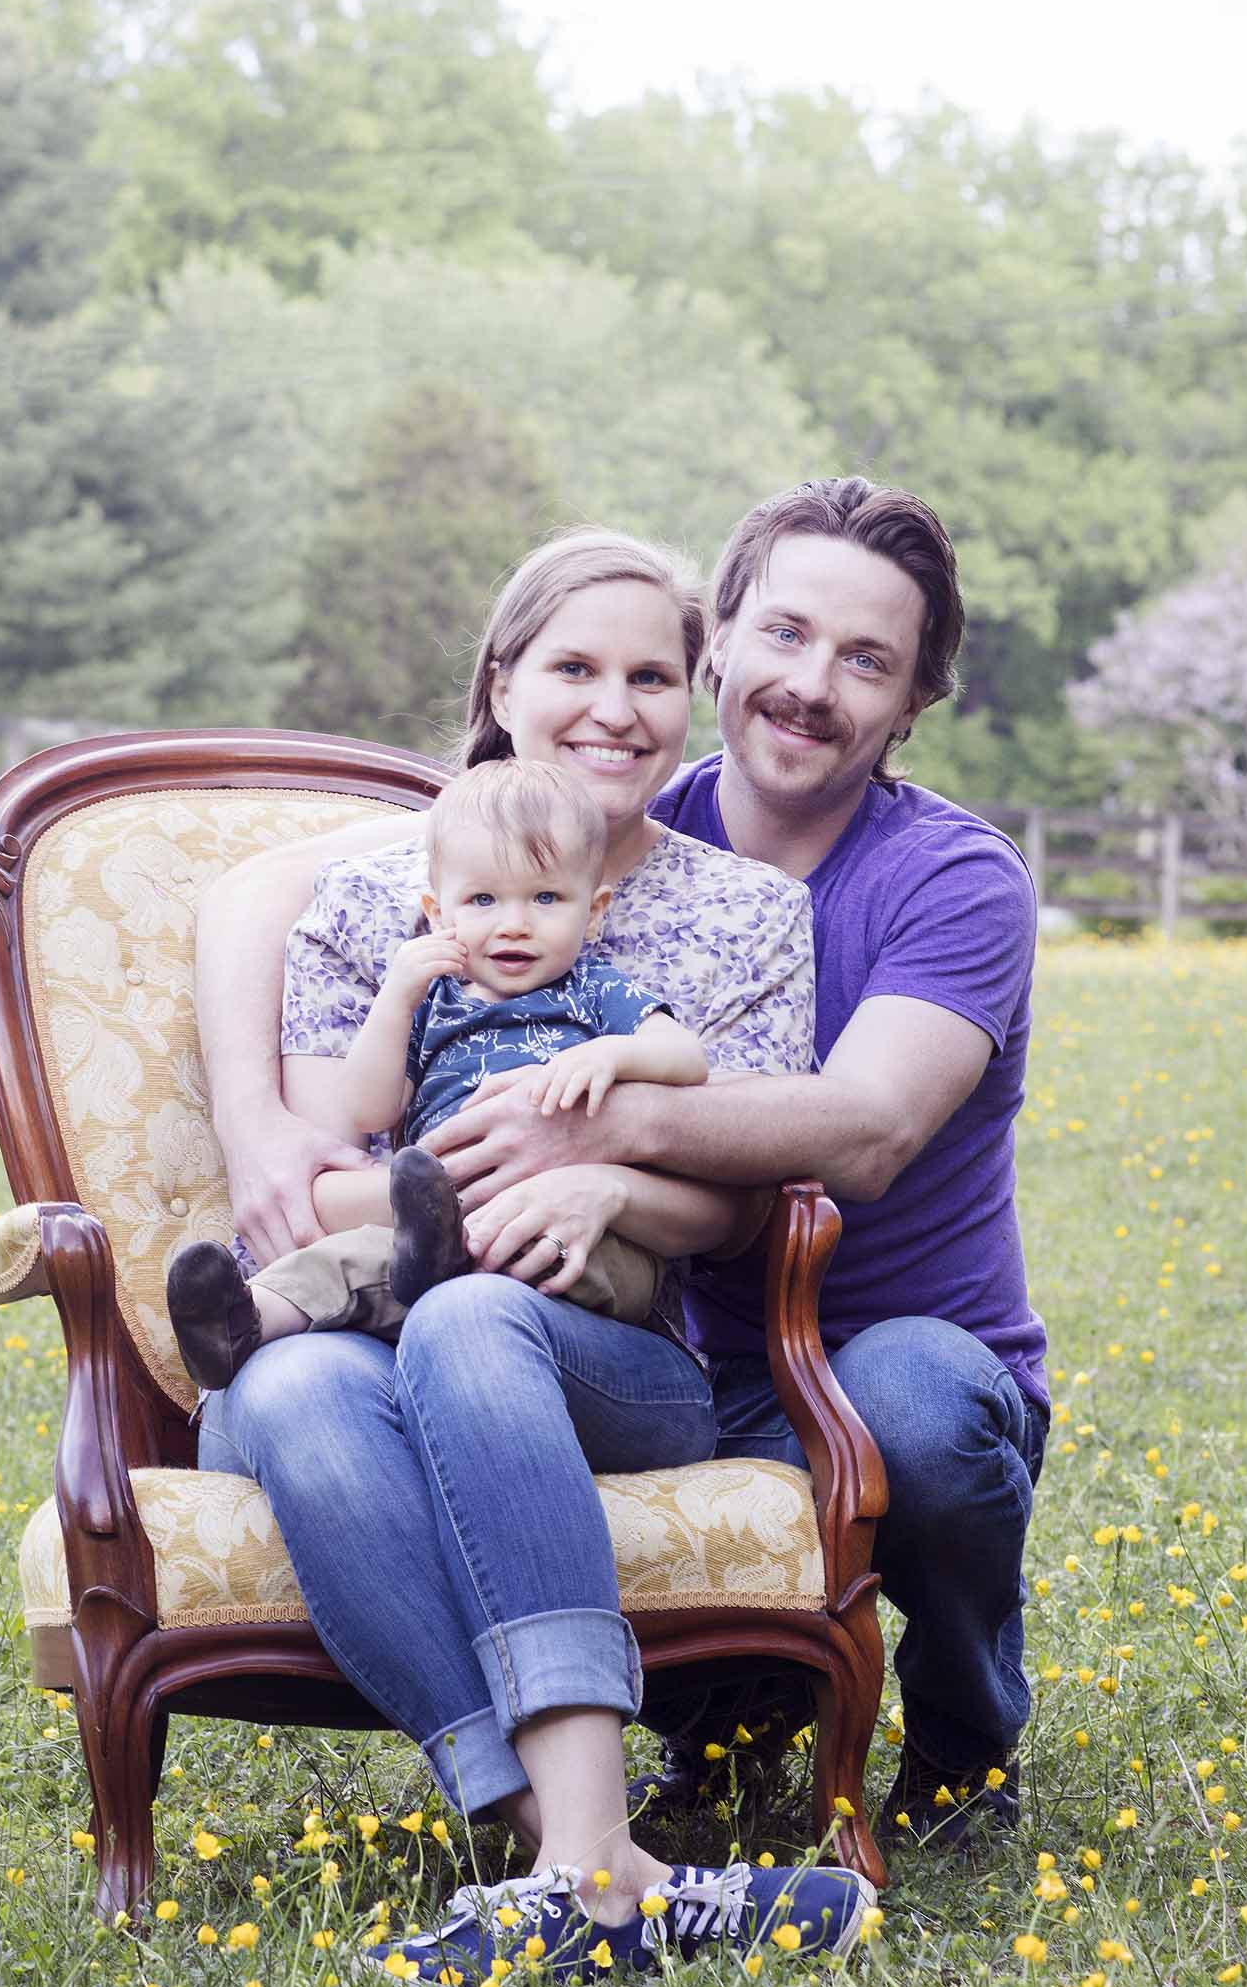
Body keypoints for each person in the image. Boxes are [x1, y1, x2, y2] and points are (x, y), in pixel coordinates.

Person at [193, 526, 870, 1984]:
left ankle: (581, 1868)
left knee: (469, 1321)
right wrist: (431, 1193)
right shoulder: (382, 902)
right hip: (351, 1321)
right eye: (573, 669)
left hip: (609, 1348)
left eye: (651, 677)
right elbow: (321, 1168)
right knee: (290, 1386)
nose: (612, 709)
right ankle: (588, 1865)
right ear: (501, 686)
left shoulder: (746, 914)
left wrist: (604, 1178)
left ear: (692, 697)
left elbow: (740, 1207)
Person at [417, 478, 1051, 1848]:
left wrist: (601, 1129)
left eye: (866, 660)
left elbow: (867, 1129)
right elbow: (376, 870)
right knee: (487, 1362)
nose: (810, 685)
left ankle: (963, 1732)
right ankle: (721, 1719)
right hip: (666, 1356)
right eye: (786, 633)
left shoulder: (956, 879)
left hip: (890, 1350)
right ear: (721, 648)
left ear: (914, 702)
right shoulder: (612, 830)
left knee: (916, 1406)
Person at [164, 756, 703, 1387]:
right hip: (446, 1227)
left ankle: (438, 1268)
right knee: (357, 1256)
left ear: (593, 912)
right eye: (483, 900)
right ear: (439, 913)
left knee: (500, 1258)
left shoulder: (593, 991)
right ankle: (246, 1320)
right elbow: (371, 1110)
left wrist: (608, 1055)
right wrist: (396, 1000)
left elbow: (685, 1058)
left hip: (575, 1232)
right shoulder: (433, 1005)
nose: (514, 924)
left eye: (546, 898)